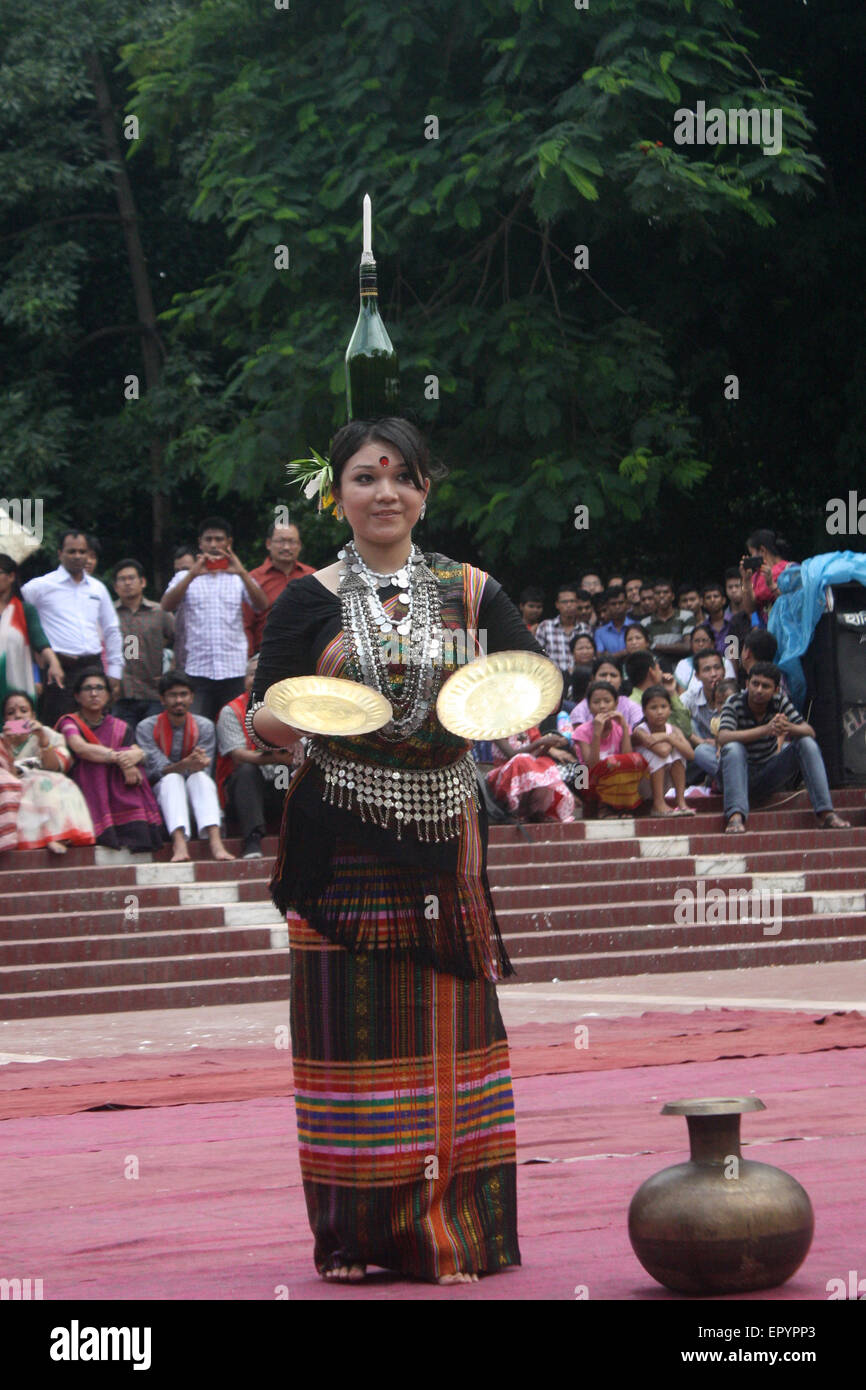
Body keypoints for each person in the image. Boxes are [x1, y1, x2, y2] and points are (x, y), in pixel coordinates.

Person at [249, 416, 545, 1285]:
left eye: (402, 477)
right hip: (337, 839)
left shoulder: (472, 590)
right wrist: (292, 714)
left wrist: (504, 711)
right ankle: (356, 1238)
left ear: (426, 489)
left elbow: (524, 684)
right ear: (336, 493)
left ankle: (456, 1232)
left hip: (444, 834)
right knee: (351, 1043)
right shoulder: (306, 597)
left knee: (452, 1037)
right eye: (366, 478)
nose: (386, 493)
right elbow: (262, 711)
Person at [717, 662, 850, 834]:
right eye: (755, 683)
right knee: (733, 748)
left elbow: (808, 731)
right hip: (735, 774)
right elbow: (723, 737)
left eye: (765, 686)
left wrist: (787, 727)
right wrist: (765, 730)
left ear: (775, 690)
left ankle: (826, 813)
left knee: (806, 743)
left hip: (766, 773)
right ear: (746, 684)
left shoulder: (780, 702)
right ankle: (735, 816)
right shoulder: (734, 702)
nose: (758, 690)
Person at [160, 516, 268, 721]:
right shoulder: (185, 577)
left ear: (229, 543)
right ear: (200, 543)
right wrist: (193, 573)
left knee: (234, 725)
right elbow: (167, 605)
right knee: (200, 728)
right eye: (208, 539)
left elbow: (262, 604)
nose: (214, 544)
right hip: (197, 670)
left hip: (234, 670)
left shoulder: (238, 577)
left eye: (219, 539)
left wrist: (242, 571)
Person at [21, 530, 124, 725]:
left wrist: (115, 672)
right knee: (58, 725)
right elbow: (16, 612)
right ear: (60, 553)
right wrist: (36, 655)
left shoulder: (97, 588)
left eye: (82, 551)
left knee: (96, 724)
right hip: (59, 668)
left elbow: (111, 629)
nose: (78, 556)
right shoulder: (40, 586)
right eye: (72, 551)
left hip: (93, 666)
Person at [57, 668, 164, 851]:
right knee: (95, 766)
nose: (94, 693)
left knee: (128, 761)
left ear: (108, 695)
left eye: (99, 688)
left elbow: (136, 751)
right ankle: (103, 829)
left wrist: (135, 756)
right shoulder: (70, 722)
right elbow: (81, 748)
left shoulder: (119, 727)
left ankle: (132, 830)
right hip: (80, 781)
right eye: (87, 689)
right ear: (77, 696)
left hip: (114, 780)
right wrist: (122, 759)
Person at [136, 671, 234, 863]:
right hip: (161, 795)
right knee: (172, 779)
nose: (178, 700)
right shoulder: (146, 727)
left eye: (183, 694)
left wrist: (191, 766)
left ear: (192, 698)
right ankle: (179, 842)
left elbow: (203, 768)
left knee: (201, 779)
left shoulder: (204, 726)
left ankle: (216, 841)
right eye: (172, 695)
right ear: (162, 699)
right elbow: (156, 771)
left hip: (195, 793)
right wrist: (185, 765)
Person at [216, 656, 298, 858]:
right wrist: (274, 758)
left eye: (262, 673)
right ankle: (252, 839)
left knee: (293, 772)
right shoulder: (231, 710)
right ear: (245, 679)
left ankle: (295, 836)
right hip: (246, 791)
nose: (257, 678)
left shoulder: (290, 707)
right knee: (246, 771)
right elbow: (237, 755)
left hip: (280, 783)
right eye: (252, 673)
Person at [1, 690, 95, 854]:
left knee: (59, 783)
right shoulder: (2, 740)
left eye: (24, 711)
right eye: (11, 712)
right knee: (33, 785)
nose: (18, 716)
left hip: (46, 785)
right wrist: (8, 746)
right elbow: (8, 775)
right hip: (13, 789)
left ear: (33, 715)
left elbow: (57, 767)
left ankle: (56, 836)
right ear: (4, 719)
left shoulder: (47, 734)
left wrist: (43, 741)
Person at [112, 559, 175, 730]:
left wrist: (170, 673)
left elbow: (181, 641)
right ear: (115, 586)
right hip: (120, 694)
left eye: (131, 578)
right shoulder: (109, 614)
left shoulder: (160, 612)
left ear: (143, 582)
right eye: (122, 579)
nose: (127, 583)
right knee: (124, 744)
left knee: (153, 742)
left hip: (152, 692)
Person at [572, 680, 647, 818]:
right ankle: (604, 808)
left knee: (634, 760)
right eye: (596, 702)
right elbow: (591, 764)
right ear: (589, 706)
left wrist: (624, 726)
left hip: (616, 779)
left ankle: (620, 807)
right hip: (586, 779)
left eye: (607, 701)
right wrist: (596, 734)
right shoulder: (582, 730)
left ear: (616, 704)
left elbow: (628, 759)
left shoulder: (620, 728)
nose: (602, 706)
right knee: (590, 768)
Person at [0, 553, 64, 709]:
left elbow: (39, 640)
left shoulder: (25, 611)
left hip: (16, 681)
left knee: (17, 724)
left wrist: (54, 662)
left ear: (11, 576)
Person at [243, 520, 316, 655]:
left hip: (307, 654)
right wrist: (249, 657)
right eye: (281, 541)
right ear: (268, 544)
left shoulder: (313, 576)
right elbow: (245, 623)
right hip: (265, 655)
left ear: (299, 545)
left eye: (292, 542)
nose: (287, 547)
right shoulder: (253, 579)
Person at [486, 727, 579, 823]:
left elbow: (535, 756)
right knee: (522, 760)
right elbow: (512, 754)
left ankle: (534, 810)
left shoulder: (529, 727)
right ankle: (514, 811)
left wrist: (547, 745)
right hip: (503, 777)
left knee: (545, 763)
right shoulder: (497, 728)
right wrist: (540, 742)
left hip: (526, 768)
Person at [635, 685, 696, 817]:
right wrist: (671, 740)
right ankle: (658, 804)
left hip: (664, 783)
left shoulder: (673, 729)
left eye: (664, 706)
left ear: (670, 709)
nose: (660, 712)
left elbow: (691, 754)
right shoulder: (640, 731)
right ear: (644, 711)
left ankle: (681, 801)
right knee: (660, 755)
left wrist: (667, 738)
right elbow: (662, 752)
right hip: (641, 785)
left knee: (679, 754)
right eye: (653, 708)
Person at [625, 649, 693, 743]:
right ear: (651, 671)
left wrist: (672, 692)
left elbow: (686, 731)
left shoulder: (663, 696)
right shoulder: (634, 704)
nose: (661, 672)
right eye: (659, 669)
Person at [683, 649, 726, 783]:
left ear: (724, 671)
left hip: (730, 749)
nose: (713, 674)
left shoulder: (736, 694)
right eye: (707, 670)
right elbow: (673, 721)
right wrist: (698, 741)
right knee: (684, 722)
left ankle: (719, 779)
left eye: (717, 668)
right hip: (706, 750)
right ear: (697, 675)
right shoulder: (691, 696)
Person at [569, 656, 642, 732]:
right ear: (593, 679)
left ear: (621, 680)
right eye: (603, 675)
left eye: (613, 675)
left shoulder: (631, 706)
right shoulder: (581, 710)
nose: (608, 680)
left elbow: (641, 730)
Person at [740, 529, 792, 626]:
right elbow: (749, 609)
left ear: (762, 551)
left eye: (752, 554)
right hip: (766, 634)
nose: (751, 558)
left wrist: (771, 585)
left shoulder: (790, 570)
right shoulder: (755, 577)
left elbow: (794, 603)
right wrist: (746, 580)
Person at [674, 623, 737, 694]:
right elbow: (681, 694)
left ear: (712, 643)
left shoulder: (725, 662)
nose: (700, 644)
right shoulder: (684, 664)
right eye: (697, 641)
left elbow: (731, 689)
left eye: (704, 640)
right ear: (691, 644)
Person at [535, 583, 581, 675]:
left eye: (572, 601)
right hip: (551, 679)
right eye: (564, 602)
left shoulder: (585, 629)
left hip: (578, 680)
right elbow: (537, 656)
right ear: (557, 605)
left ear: (577, 603)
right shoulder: (545, 627)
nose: (569, 605)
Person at [644, 579, 690, 666]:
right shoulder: (645, 623)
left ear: (672, 596)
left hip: (683, 666)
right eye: (658, 593)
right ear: (653, 597)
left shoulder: (686, 617)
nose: (662, 595)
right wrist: (676, 646)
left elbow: (687, 647)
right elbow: (647, 648)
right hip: (657, 667)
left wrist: (655, 646)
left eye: (665, 592)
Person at [594, 586, 636, 653]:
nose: (617, 607)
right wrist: (625, 652)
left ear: (627, 604)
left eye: (621, 603)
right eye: (613, 604)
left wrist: (610, 656)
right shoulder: (600, 633)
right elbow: (600, 657)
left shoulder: (637, 627)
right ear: (607, 606)